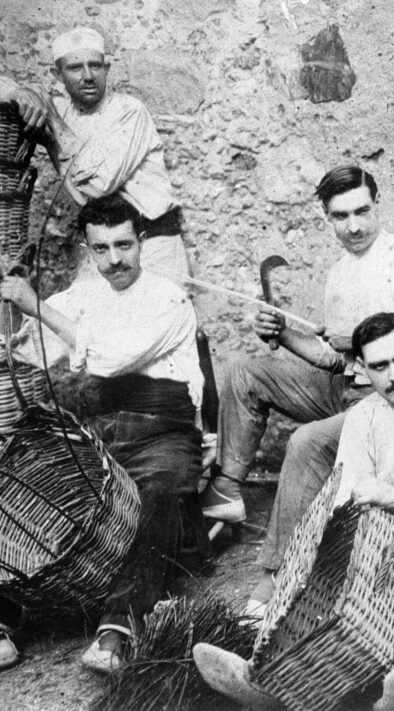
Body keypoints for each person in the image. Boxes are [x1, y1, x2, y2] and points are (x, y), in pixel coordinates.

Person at [194, 312, 394, 711]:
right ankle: (270, 680)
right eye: (379, 366)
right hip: (389, 547)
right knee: (341, 609)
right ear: (362, 369)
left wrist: (393, 497)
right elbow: (344, 499)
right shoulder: (362, 416)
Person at [208, 166, 394, 616]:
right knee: (245, 372)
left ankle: (274, 580)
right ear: (327, 217)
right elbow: (335, 359)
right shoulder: (340, 272)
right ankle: (225, 491)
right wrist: (283, 333)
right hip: (347, 386)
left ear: (378, 205)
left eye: (362, 211)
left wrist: (359, 340)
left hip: (393, 397)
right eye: (341, 216)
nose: (354, 226)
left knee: (306, 442)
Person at [0, 194, 203, 673]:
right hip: (102, 433)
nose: (114, 260)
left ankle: (117, 630)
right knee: (28, 492)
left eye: (124, 245)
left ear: (142, 241)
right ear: (87, 250)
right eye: (101, 248)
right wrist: (12, 301)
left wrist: (36, 306)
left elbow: (111, 359)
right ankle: (4, 619)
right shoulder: (83, 295)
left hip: (163, 432)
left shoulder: (167, 297)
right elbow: (25, 348)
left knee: (158, 496)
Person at [0, 26, 190, 281]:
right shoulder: (63, 111)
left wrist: (53, 123)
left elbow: (99, 186)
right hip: (106, 246)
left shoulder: (128, 112)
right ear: (57, 74)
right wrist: (16, 92)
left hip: (154, 246)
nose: (88, 76)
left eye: (95, 66)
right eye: (75, 68)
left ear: (106, 68)